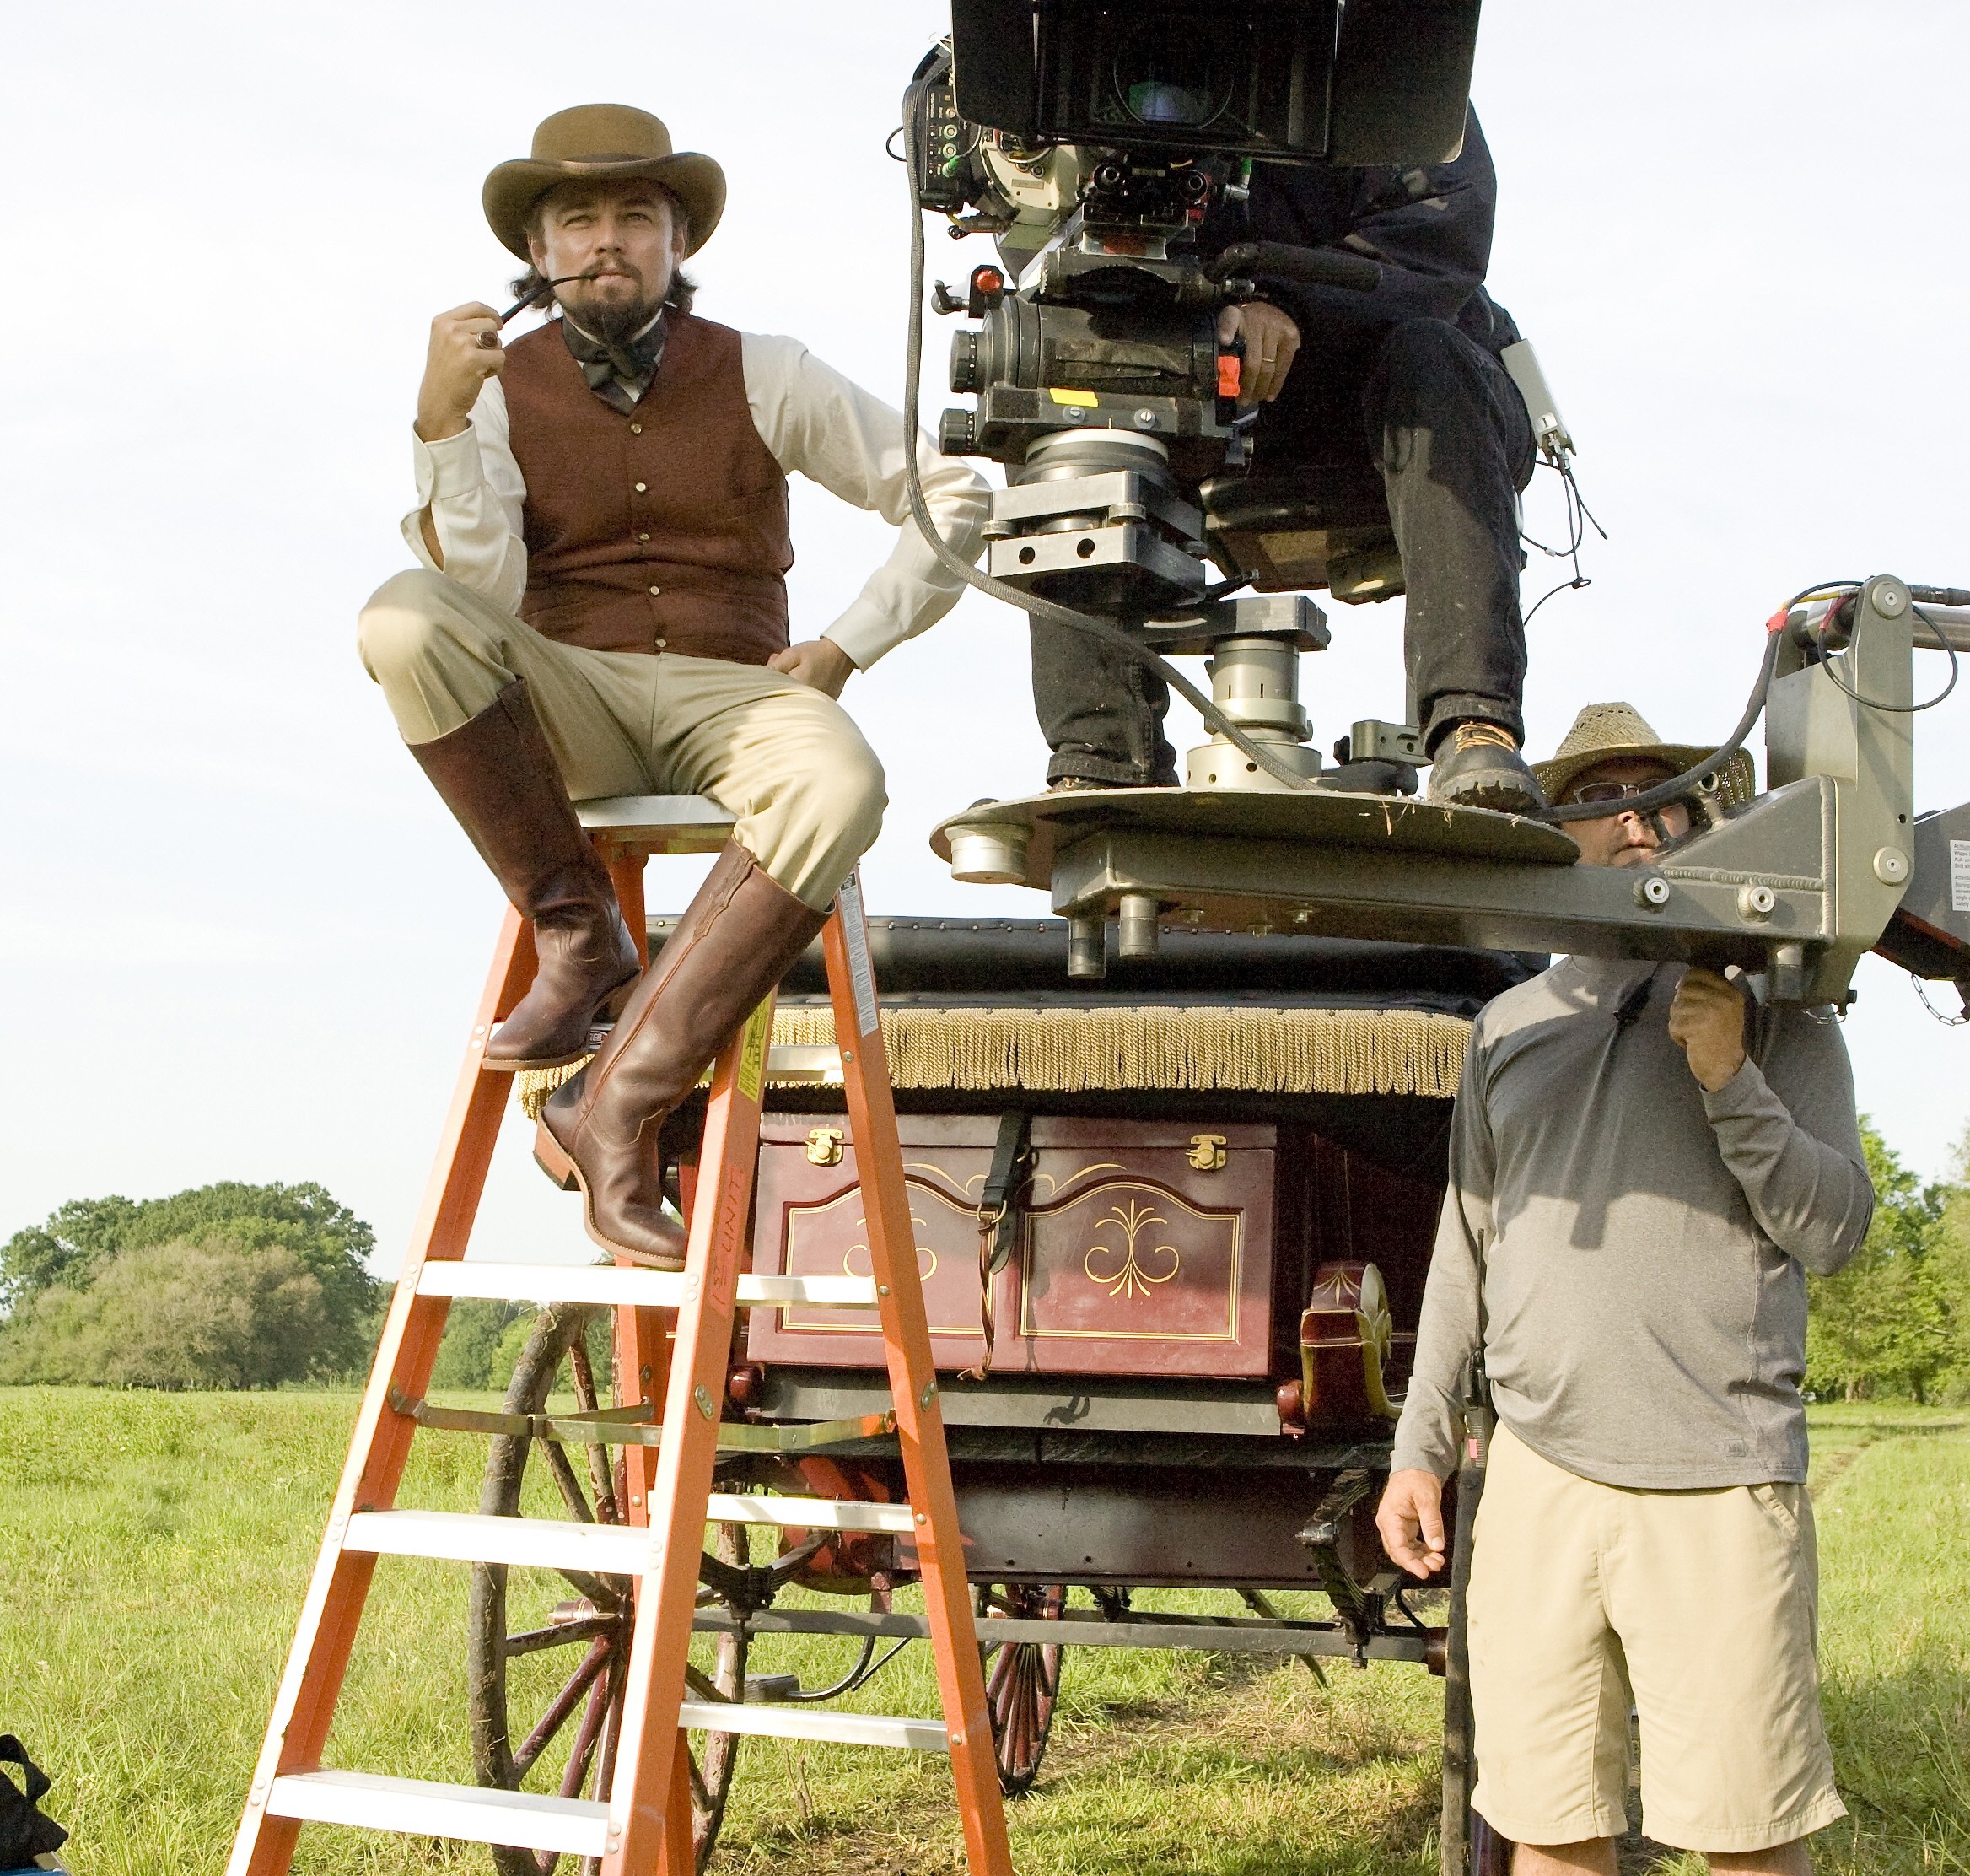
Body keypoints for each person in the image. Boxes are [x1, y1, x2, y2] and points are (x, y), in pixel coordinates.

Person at [358, 104, 987, 1269]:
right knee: (402, 614)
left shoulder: (765, 368)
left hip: (734, 694)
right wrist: (439, 428)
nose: (607, 240)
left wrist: (847, 645)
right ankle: (577, 930)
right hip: (570, 695)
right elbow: (482, 594)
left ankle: (615, 1103)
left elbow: (953, 493)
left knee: (842, 780)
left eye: (635, 216)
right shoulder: (493, 387)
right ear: (538, 251)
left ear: (677, 242)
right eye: (578, 220)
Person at [1374, 702, 1875, 1876]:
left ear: (1703, 821)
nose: (1635, 819)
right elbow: (1466, 1249)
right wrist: (1419, 1446)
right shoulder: (1507, 1027)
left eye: (1660, 794)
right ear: (1557, 835)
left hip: (1717, 1481)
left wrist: (1731, 1080)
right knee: (1547, 1819)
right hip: (1537, 1481)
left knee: (1748, 1829)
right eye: (1600, 799)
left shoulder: (1782, 1012)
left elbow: (1835, 1230)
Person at [1033, 106, 1542, 811]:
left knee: (1430, 357)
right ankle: (1103, 755)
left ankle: (1474, 726)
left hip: (1402, 392)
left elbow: (1442, 228)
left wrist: (1288, 302)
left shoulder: (1380, 57)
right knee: (1066, 382)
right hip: (1207, 397)